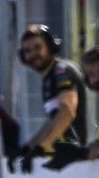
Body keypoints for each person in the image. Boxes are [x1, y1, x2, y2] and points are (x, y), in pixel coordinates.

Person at [16, 24, 84, 163]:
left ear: (50, 47)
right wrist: (29, 147)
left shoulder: (61, 71)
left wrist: (42, 146)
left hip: (74, 160)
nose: (33, 54)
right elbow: (54, 121)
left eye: (38, 47)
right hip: (66, 159)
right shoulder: (50, 77)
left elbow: (67, 112)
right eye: (28, 51)